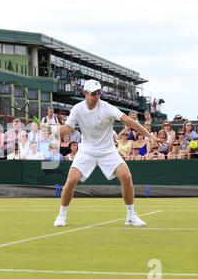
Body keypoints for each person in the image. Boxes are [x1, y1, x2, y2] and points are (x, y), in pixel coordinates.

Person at [46, 79, 160, 228]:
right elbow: (68, 128)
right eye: (94, 93)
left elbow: (129, 121)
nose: (97, 96)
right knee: (71, 180)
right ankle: (61, 215)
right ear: (85, 93)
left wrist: (149, 136)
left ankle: (131, 216)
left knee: (126, 176)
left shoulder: (107, 108)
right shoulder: (77, 109)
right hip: (87, 150)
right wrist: (51, 129)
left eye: (99, 93)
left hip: (108, 150)